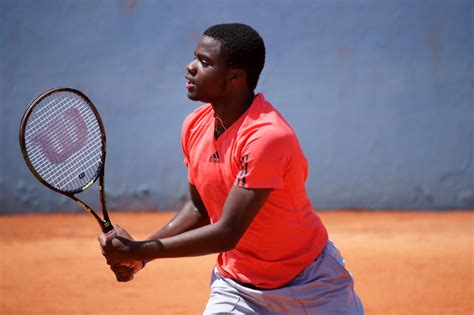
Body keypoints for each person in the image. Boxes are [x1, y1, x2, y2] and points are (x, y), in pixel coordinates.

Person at [99, 23, 364, 314]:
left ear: (236, 77)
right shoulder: (194, 126)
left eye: (205, 62)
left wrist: (139, 250)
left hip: (312, 285)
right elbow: (200, 208)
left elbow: (228, 232)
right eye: (195, 57)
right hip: (238, 288)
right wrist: (142, 253)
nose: (190, 67)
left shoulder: (267, 136)